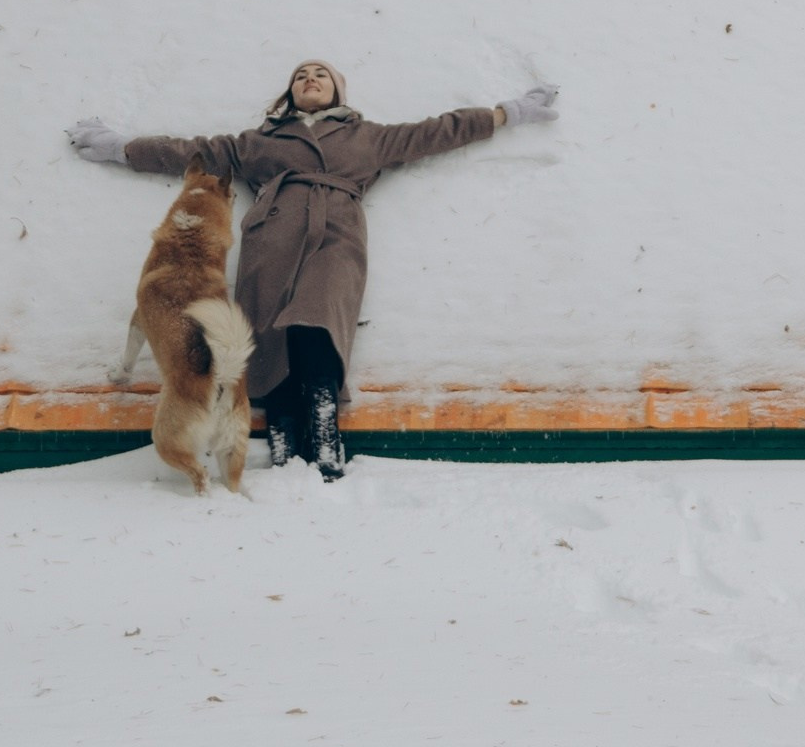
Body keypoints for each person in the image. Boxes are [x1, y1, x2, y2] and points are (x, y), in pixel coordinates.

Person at [68, 61, 558, 480]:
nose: (310, 79)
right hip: (271, 237)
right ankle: (283, 438)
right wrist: (120, 146)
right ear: (289, 93)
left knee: (318, 320)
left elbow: (437, 132)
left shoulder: (367, 137)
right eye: (301, 75)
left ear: (338, 90)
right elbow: (188, 152)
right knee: (269, 335)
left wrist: (507, 113)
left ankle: (324, 434)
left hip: (336, 234)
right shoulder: (259, 141)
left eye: (321, 74)